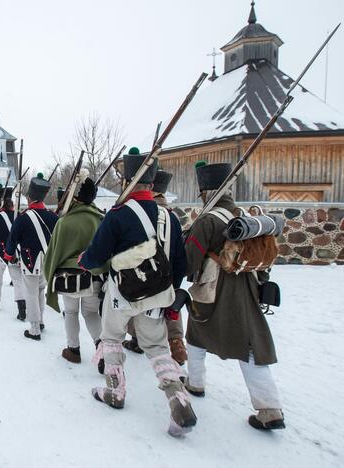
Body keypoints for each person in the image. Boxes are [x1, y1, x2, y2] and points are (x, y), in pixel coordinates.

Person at [78, 147, 195, 437]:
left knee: (112, 339)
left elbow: (96, 257)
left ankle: (114, 392)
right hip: (158, 295)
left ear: (126, 181)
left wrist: (84, 260)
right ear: (153, 184)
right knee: (157, 349)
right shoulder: (170, 218)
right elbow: (180, 263)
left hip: (121, 295)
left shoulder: (117, 215)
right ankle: (178, 400)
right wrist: (168, 294)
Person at [184, 161, 285, 431]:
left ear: (205, 192)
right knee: (250, 345)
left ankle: (195, 383)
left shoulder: (207, 220)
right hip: (248, 289)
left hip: (214, 290)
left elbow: (190, 261)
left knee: (195, 334)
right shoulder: (243, 217)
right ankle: (269, 408)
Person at [123, 169, 188, 365]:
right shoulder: (172, 218)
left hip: (141, 278)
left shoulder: (134, 214)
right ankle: (175, 339)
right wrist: (173, 284)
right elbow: (180, 258)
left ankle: (138, 340)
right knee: (169, 305)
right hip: (167, 276)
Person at [43, 174, 104, 364]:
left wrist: (49, 274)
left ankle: (73, 350)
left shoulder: (64, 222)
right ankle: (103, 350)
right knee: (91, 313)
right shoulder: (102, 220)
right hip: (94, 276)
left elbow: (53, 255)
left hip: (69, 278)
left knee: (70, 313)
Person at [4, 173, 58, 341]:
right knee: (40, 291)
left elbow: (12, 240)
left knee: (31, 294)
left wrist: (8, 254)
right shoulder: (53, 217)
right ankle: (40, 321)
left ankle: (35, 328)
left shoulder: (22, 218)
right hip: (47, 261)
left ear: (30, 197)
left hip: (29, 261)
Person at [0, 185, 25, 317]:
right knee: (18, 281)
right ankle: (22, 310)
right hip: (15, 252)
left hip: (1, 251)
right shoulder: (18, 215)